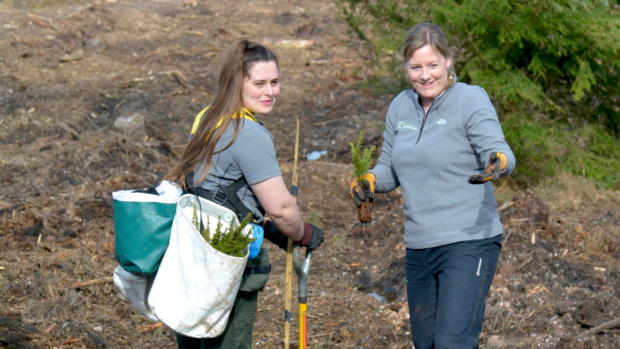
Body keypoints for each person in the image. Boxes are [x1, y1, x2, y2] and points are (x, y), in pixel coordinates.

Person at [350, 23, 515, 348]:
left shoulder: (468, 99)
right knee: (426, 344)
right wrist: (369, 180)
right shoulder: (401, 106)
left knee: (453, 341)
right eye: (416, 67)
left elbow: (500, 151)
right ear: (406, 67)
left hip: (469, 242)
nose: (425, 75)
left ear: (448, 62)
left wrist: (497, 162)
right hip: (419, 247)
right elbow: (389, 169)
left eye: (432, 65)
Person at [166, 39, 324, 349]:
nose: (270, 91)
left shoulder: (207, 119)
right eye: (260, 83)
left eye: (275, 82)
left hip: (191, 254)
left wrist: (268, 230)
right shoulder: (249, 133)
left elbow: (217, 193)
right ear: (238, 84)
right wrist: (302, 233)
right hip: (227, 260)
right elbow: (280, 208)